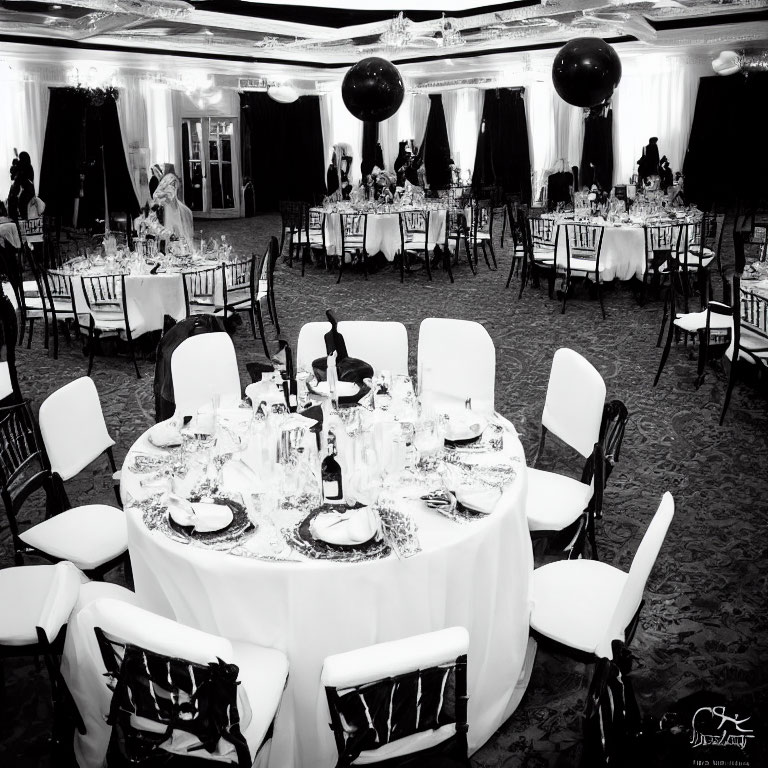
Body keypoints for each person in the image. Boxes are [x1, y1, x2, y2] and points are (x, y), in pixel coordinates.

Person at [7, 151, 36, 220]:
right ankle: (24, 218)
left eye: (21, 158)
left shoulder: (25, 166)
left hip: (28, 190)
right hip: (28, 189)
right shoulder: (27, 166)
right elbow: (14, 176)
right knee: (20, 203)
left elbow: (16, 176)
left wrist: (16, 167)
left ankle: (24, 219)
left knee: (21, 203)